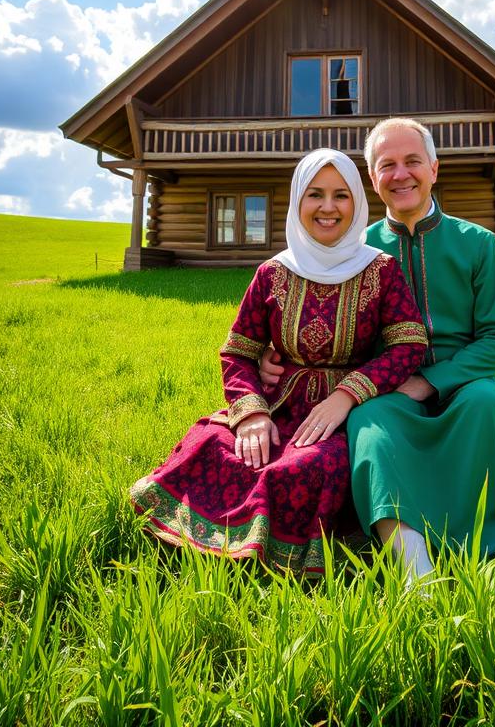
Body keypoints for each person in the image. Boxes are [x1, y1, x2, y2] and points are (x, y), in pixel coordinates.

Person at [129, 148, 427, 575]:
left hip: (348, 413)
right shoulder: (272, 273)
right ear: (297, 201)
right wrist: (250, 414)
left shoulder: (381, 270)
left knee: (305, 468)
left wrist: (347, 395)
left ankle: (266, 555)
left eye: (341, 195)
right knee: (212, 445)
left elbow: (407, 346)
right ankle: (217, 543)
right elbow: (239, 351)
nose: (328, 207)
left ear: (358, 203)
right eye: (315, 194)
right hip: (278, 403)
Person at [263, 118, 495, 582]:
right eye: (387, 165)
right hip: (381, 385)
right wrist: (275, 354)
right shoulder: (356, 251)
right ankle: (412, 566)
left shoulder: (478, 244)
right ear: (373, 178)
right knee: (367, 421)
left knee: (484, 405)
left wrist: (429, 382)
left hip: (464, 382)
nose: (401, 174)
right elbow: (314, 311)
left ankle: (480, 556)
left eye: (412, 162)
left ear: (434, 169)